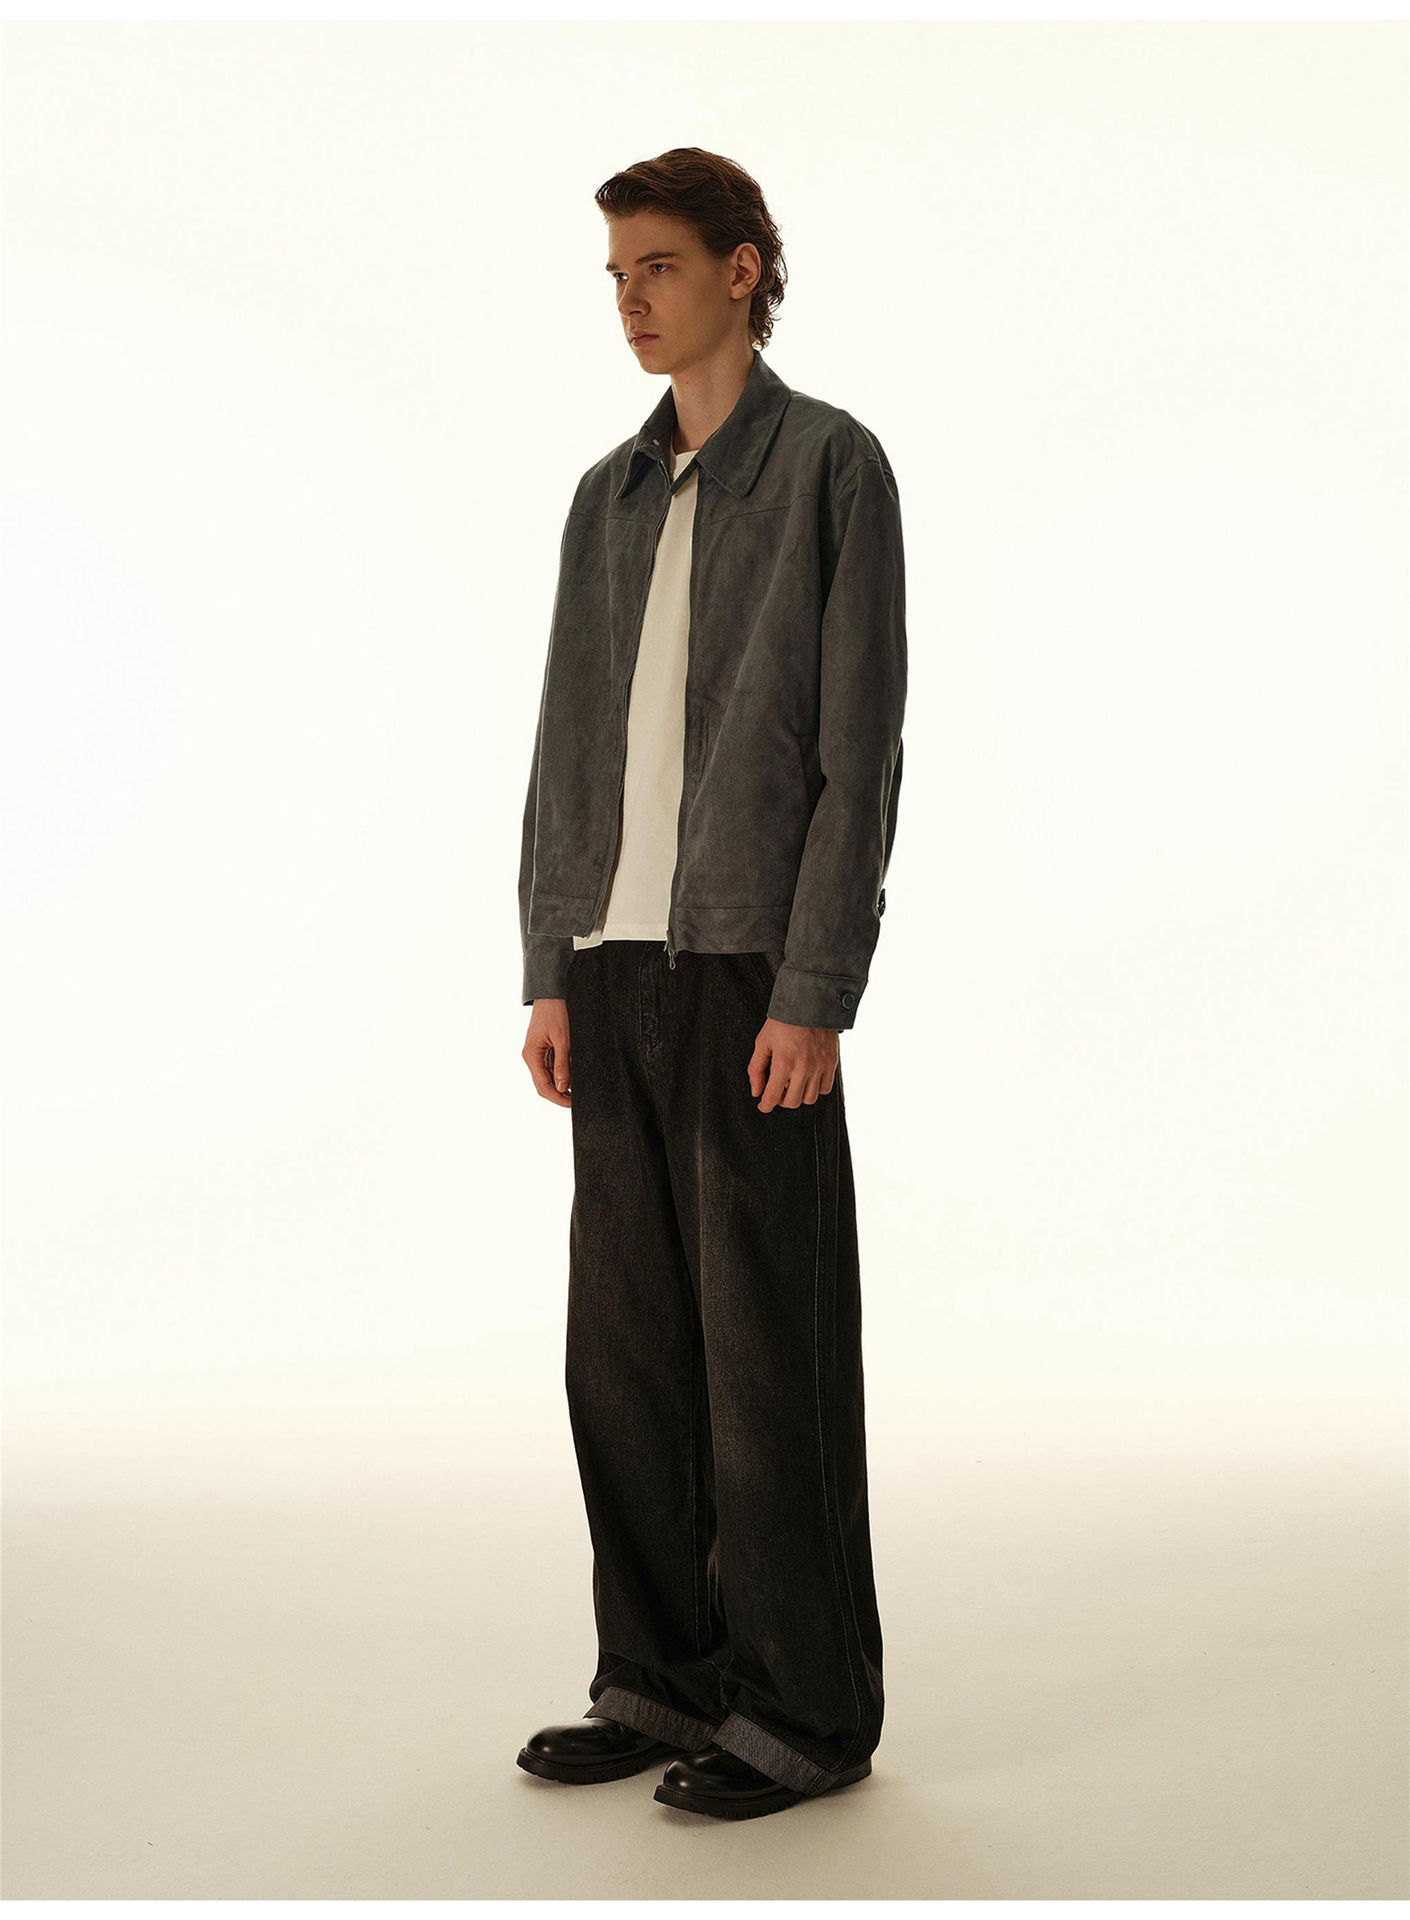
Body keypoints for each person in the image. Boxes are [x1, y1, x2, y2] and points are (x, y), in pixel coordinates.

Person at [515, 147, 907, 1822]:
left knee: (766, 1354)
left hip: (751, 961)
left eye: (658, 267)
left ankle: (803, 1713)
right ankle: (659, 1679)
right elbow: (563, 737)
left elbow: (857, 748)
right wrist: (549, 960)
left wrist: (814, 986)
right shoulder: (604, 497)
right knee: (624, 1355)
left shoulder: (828, 468)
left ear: (743, 269)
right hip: (612, 969)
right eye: (615, 274)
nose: (630, 300)